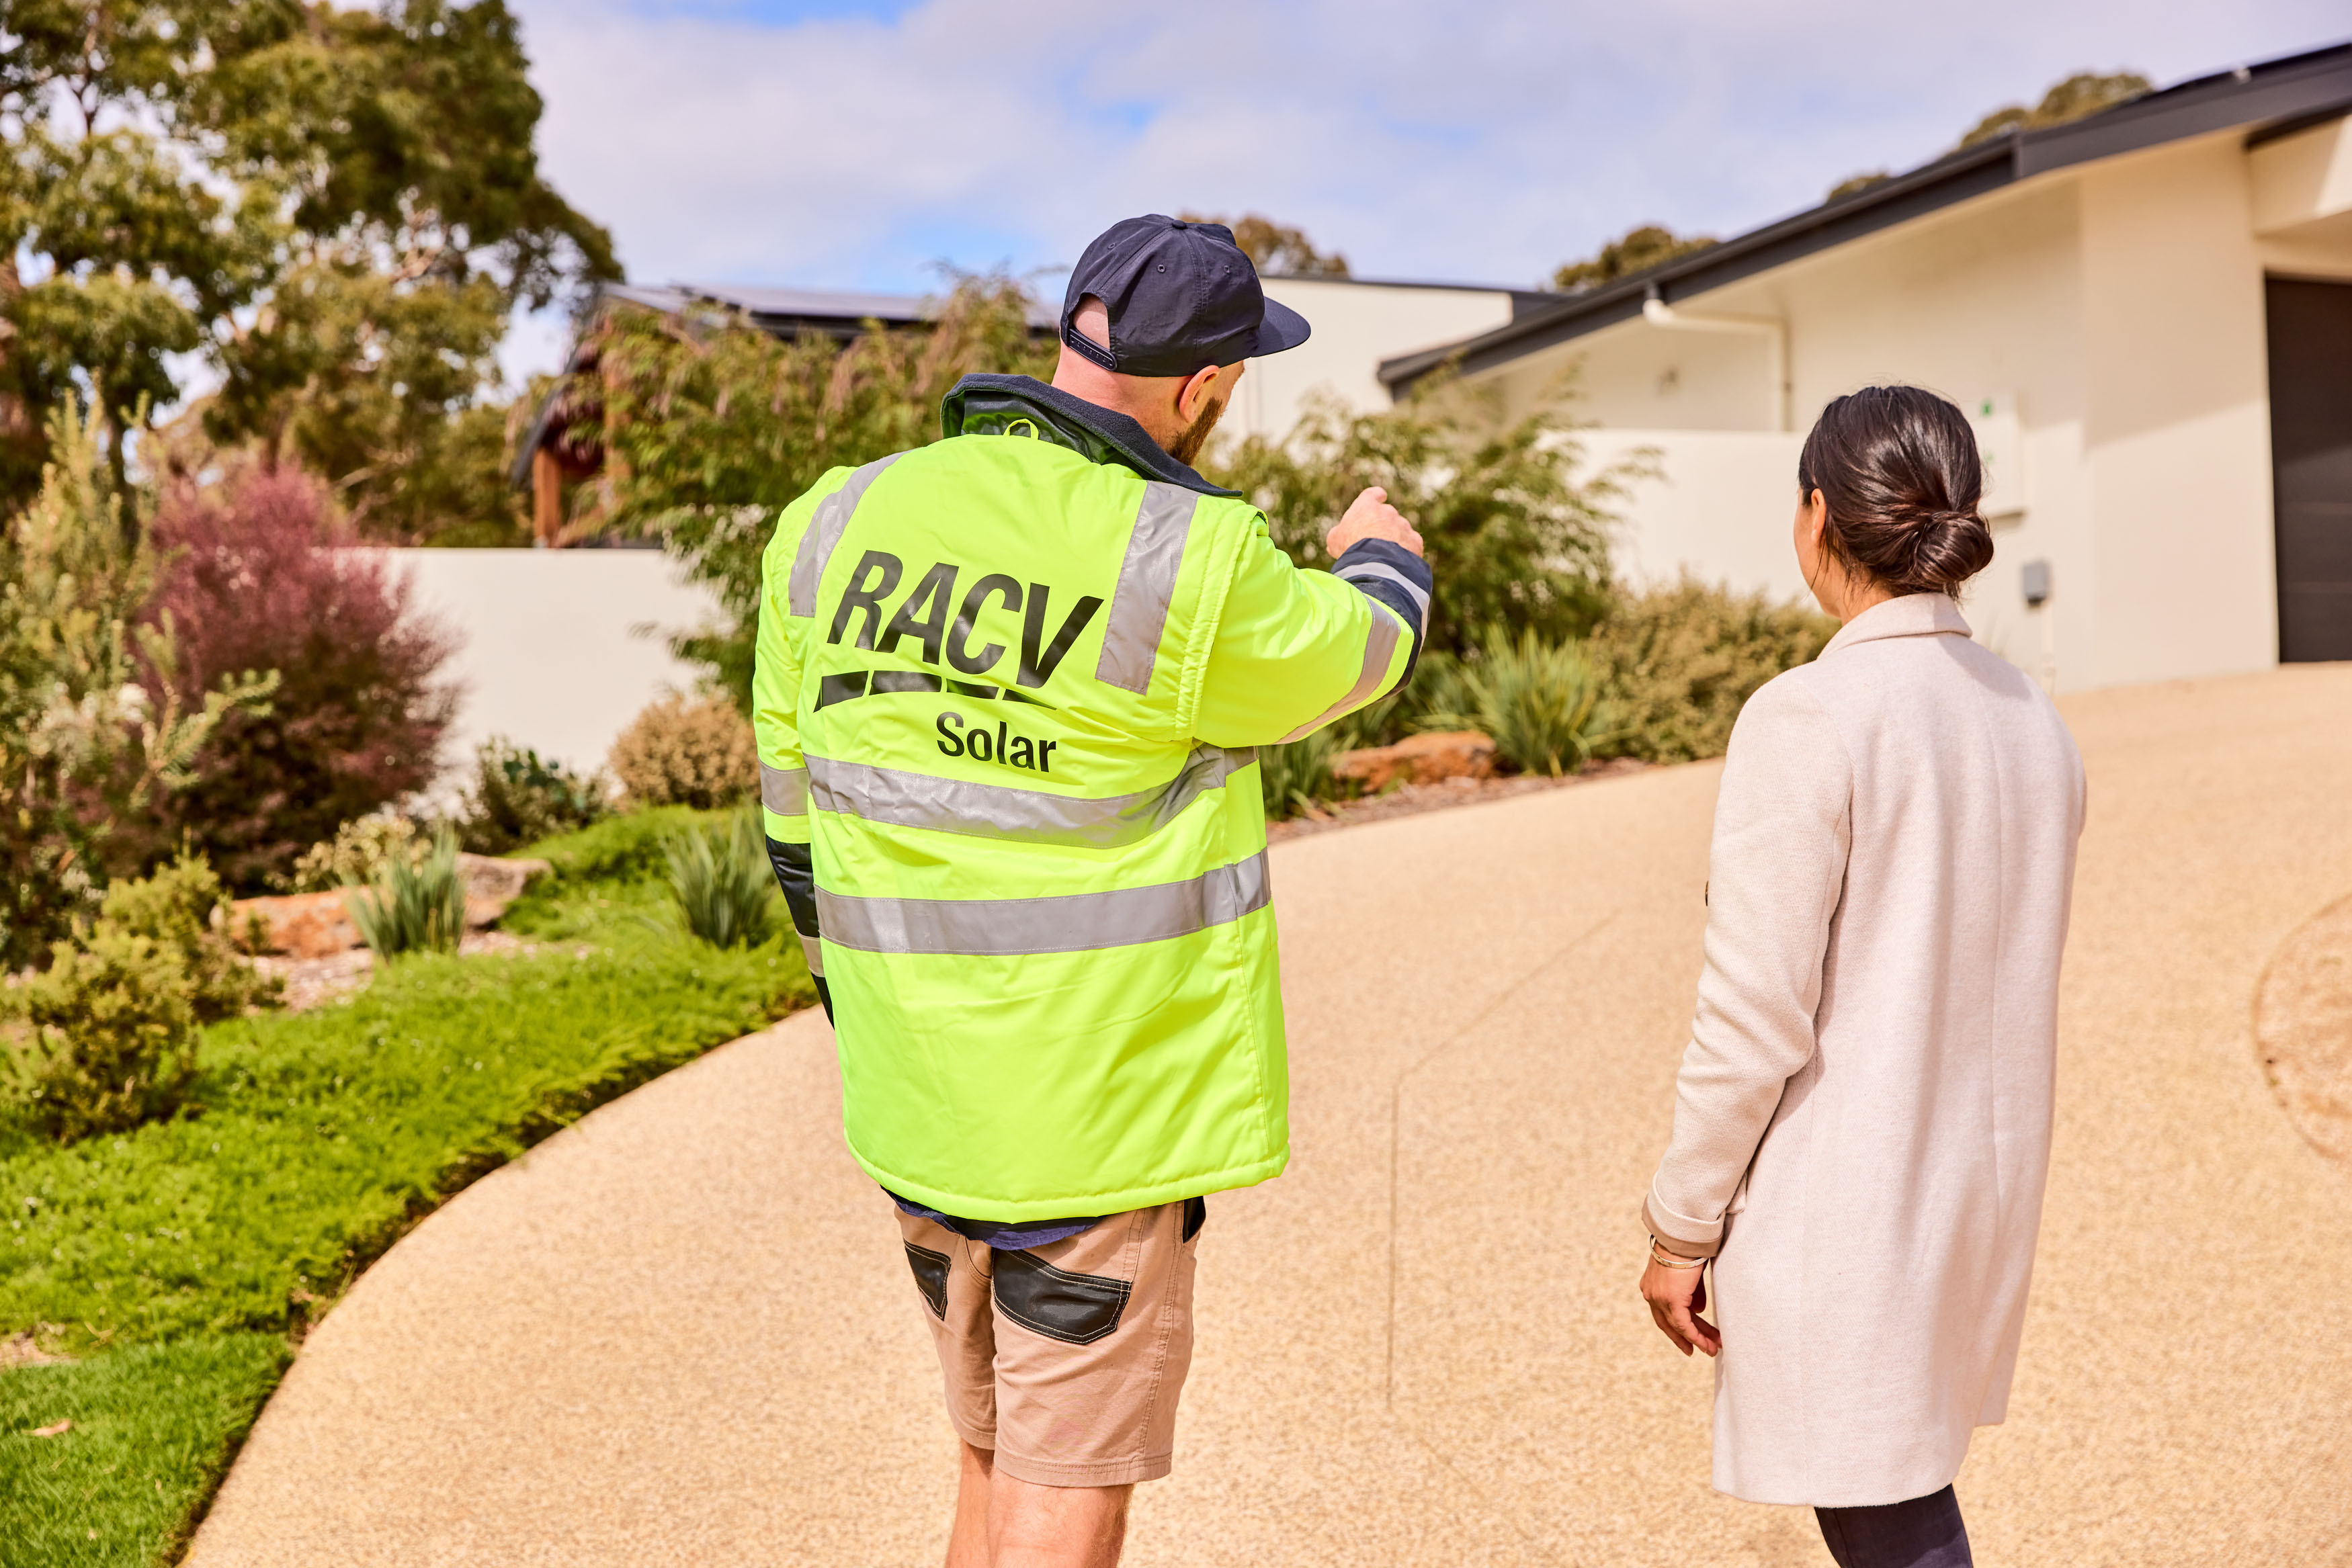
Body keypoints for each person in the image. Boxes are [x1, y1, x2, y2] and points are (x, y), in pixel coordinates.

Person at [751, 215, 1431, 1568]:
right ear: (1208, 386)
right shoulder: (1190, 560)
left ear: (1072, 334)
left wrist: (863, 1007)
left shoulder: (832, 521)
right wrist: (1382, 549)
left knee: (990, 1455)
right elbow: (1359, 653)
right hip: (1092, 1123)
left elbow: (791, 829)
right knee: (1068, 1487)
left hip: (918, 1101)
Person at [1636, 385, 2085, 1568]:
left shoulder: (1808, 716)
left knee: (1893, 1519)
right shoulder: (2033, 717)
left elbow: (1751, 1018)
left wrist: (1681, 1225)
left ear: (1816, 515)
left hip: (1852, 1203)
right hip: (1976, 1192)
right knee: (1903, 1495)